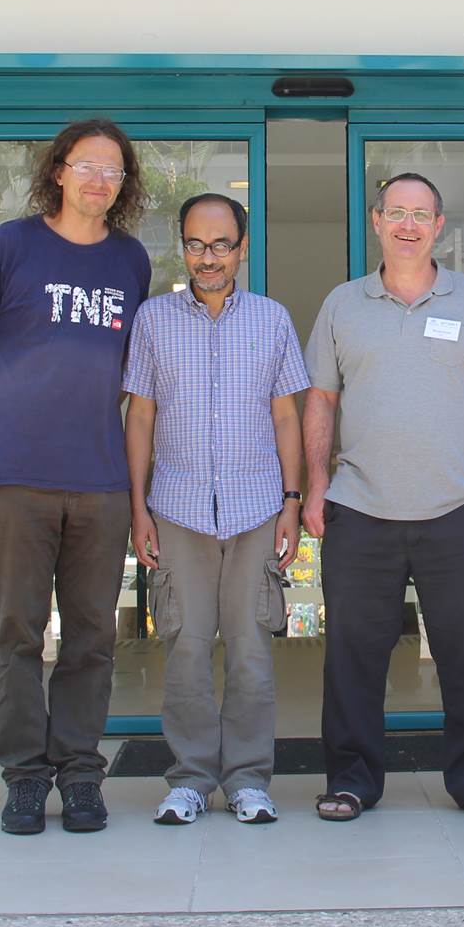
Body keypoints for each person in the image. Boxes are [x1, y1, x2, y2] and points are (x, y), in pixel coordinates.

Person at [302, 172, 464, 823]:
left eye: (420, 215)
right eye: (396, 213)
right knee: (352, 658)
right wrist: (316, 486)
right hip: (360, 510)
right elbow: (321, 399)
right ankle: (351, 781)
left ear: (439, 227)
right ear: (376, 221)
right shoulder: (342, 304)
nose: (408, 225)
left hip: (458, 509)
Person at [0, 118, 151, 836]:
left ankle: (81, 772)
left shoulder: (130, 260)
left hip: (99, 476)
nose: (99, 180)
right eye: (87, 166)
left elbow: (129, 369)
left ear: (124, 185)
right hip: (18, 475)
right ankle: (25, 777)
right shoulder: (11, 245)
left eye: (113, 171)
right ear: (59, 171)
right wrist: (8, 418)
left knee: (93, 633)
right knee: (18, 632)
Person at [124, 192, 309, 827]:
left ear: (242, 248)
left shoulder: (272, 319)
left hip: (257, 509)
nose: (209, 258)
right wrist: (138, 508)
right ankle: (191, 780)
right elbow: (140, 417)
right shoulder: (153, 320)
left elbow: (287, 416)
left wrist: (292, 503)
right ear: (183, 247)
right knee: (185, 648)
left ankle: (250, 779)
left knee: (252, 649)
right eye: (197, 245)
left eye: (221, 245)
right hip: (176, 510)